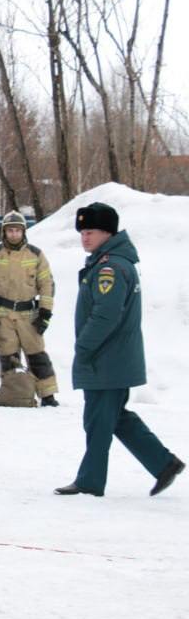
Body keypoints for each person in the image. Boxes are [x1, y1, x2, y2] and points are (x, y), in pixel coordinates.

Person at [55, 202, 183, 497]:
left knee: (98, 422)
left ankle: (90, 481)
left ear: (108, 233)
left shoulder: (109, 268)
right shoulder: (112, 262)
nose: (84, 237)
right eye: (82, 232)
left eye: (91, 232)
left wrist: (84, 347)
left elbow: (105, 315)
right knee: (113, 417)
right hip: (111, 357)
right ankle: (164, 464)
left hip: (106, 359)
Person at [0, 211, 59, 406]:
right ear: (4, 232)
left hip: (29, 316)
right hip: (2, 316)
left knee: (37, 354)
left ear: (24, 232)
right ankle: (13, 394)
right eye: (10, 230)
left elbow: (47, 284)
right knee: (8, 356)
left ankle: (47, 395)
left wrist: (45, 313)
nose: (14, 234)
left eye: (17, 230)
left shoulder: (36, 255)